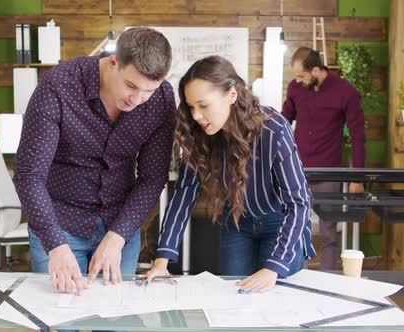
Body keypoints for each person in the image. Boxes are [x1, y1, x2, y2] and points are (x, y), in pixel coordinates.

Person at [13, 27, 175, 295]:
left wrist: (117, 236)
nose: (138, 99)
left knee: (115, 319)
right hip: (60, 223)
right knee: (60, 316)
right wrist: (55, 244)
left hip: (120, 224)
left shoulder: (161, 99)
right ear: (112, 62)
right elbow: (29, 175)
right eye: (131, 86)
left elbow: (152, 177)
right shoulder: (59, 86)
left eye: (148, 91)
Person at [139, 55, 316, 293]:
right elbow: (183, 196)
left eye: (203, 105)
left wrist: (274, 267)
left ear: (232, 95)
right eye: (191, 107)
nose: (196, 116)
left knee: (275, 303)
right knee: (234, 300)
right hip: (236, 222)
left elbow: (299, 203)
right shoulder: (199, 134)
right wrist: (162, 259)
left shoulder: (274, 130)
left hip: (280, 224)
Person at [282, 47, 365, 270]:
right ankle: (298, 277)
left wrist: (358, 177)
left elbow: (358, 136)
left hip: (329, 171)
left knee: (328, 233)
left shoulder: (345, 92)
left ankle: (326, 282)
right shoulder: (296, 89)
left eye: (301, 76)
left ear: (316, 70)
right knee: (296, 229)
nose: (297, 81)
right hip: (298, 171)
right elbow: (283, 124)